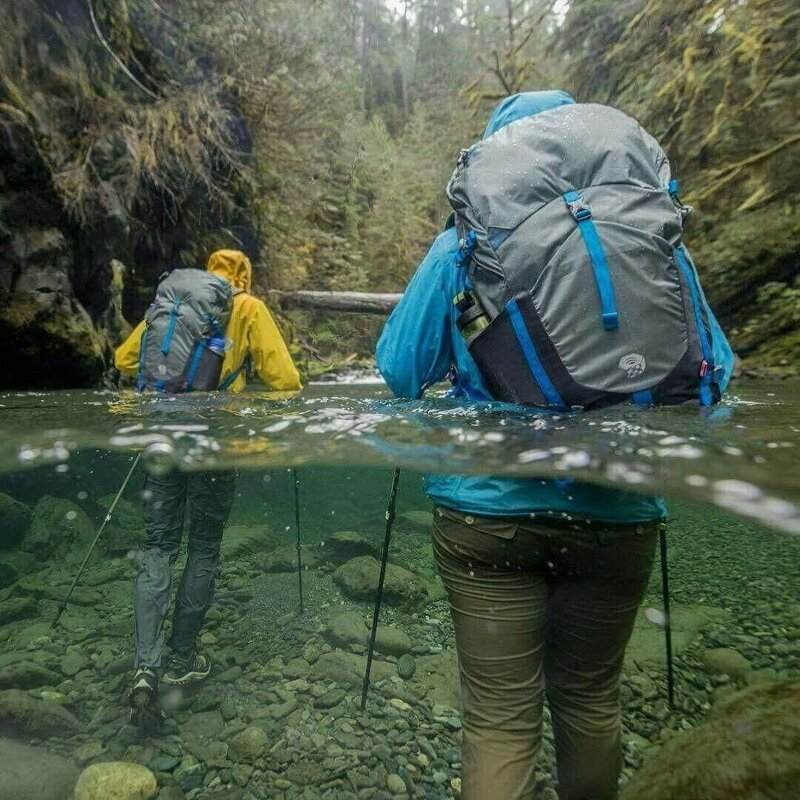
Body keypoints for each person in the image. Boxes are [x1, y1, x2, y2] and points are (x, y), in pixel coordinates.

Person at [376, 92, 735, 800]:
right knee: (591, 701)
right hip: (620, 513)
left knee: (501, 722)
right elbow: (713, 373)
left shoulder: (461, 247)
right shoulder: (658, 243)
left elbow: (399, 371)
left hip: (486, 516)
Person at [115, 249, 301, 721]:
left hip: (161, 431)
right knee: (203, 545)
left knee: (158, 545)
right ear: (244, 277)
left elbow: (124, 358)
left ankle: (144, 668)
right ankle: (181, 659)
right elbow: (286, 380)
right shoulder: (248, 308)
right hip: (215, 441)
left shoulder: (175, 305)